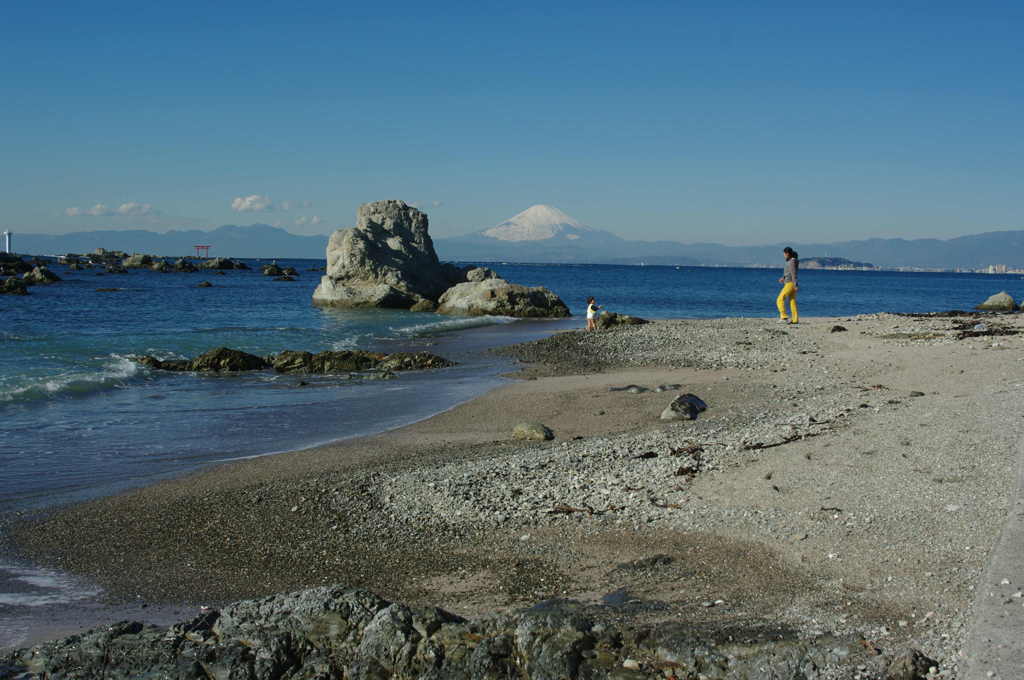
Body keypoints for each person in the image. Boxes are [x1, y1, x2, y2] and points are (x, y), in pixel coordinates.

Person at [776, 247, 799, 324]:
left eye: (784, 254)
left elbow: (793, 273)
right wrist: (783, 278)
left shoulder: (792, 261)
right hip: (790, 283)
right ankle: (795, 320)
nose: (784, 255)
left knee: (779, 299)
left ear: (787, 253)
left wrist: (795, 284)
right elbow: (788, 272)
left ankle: (784, 317)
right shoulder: (790, 261)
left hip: (790, 283)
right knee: (792, 301)